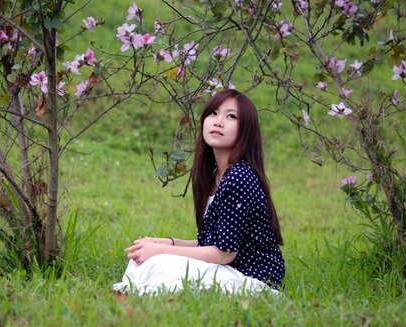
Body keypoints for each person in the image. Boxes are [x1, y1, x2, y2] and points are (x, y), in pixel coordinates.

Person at [113, 89, 285, 295]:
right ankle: (135, 295)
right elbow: (215, 241)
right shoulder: (214, 175)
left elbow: (225, 253)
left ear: (245, 130)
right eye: (214, 113)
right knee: (147, 260)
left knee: (160, 262)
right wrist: (167, 242)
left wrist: (162, 250)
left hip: (253, 279)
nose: (218, 121)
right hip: (226, 269)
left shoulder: (239, 177)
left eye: (231, 116)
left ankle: (138, 297)